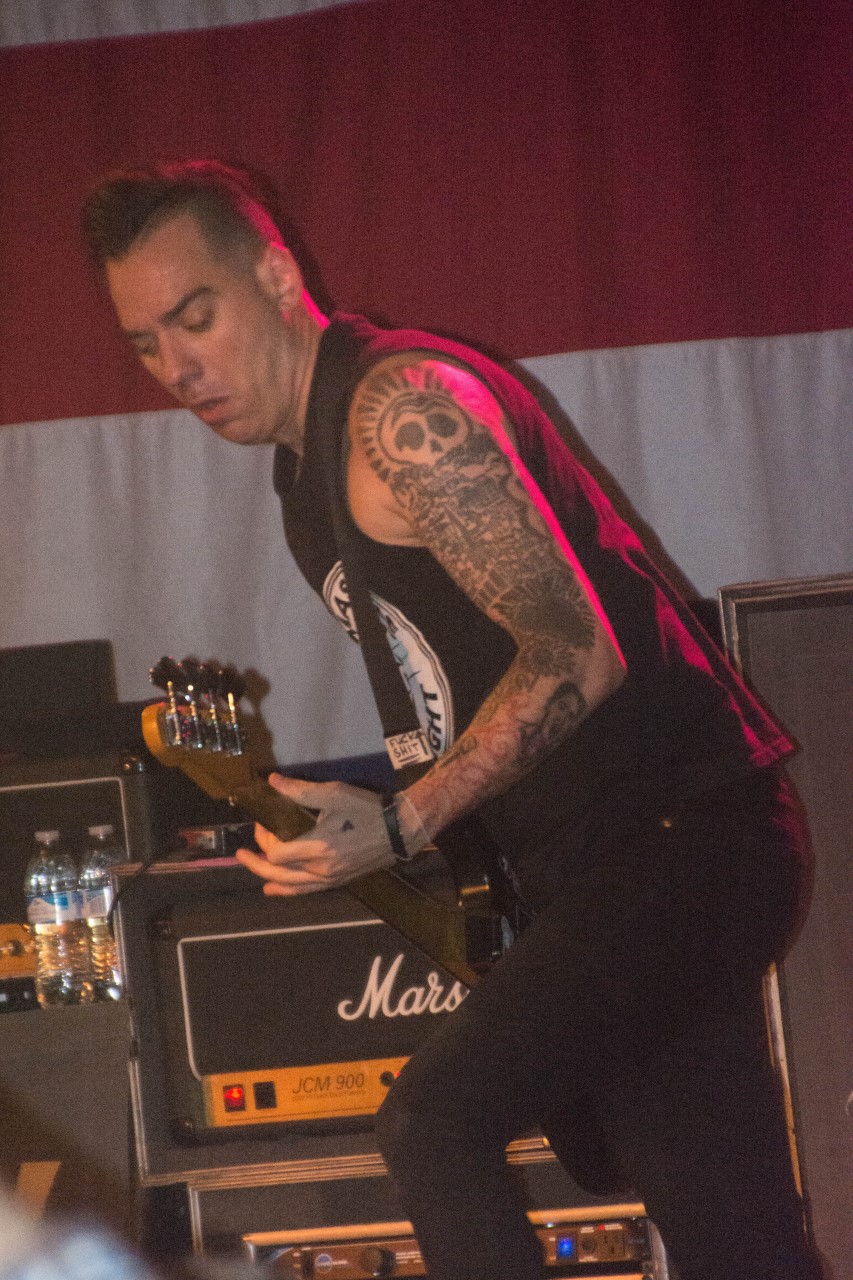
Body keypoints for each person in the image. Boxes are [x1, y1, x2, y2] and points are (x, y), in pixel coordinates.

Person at [81, 160, 821, 1280]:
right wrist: (391, 820)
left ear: (275, 278)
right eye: (145, 343)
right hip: (611, 864)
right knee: (738, 1242)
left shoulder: (401, 409)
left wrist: (403, 821)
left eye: (196, 317)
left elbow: (575, 650)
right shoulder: (305, 475)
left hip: (679, 842)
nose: (178, 367)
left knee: (436, 1120)